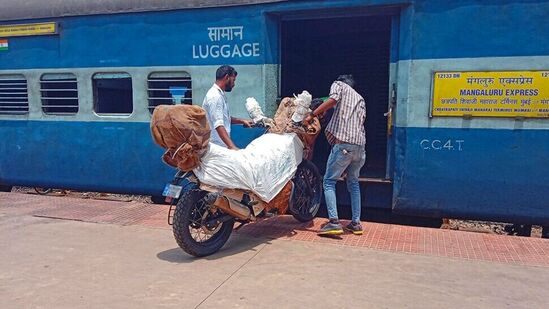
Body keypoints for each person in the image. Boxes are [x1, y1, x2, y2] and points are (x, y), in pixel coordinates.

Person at [304, 74, 366, 236]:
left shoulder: (339, 85)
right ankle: (356, 223)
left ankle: (333, 222)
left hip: (343, 145)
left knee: (329, 181)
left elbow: (332, 100)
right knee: (353, 183)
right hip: (360, 147)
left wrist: (312, 114)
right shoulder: (360, 99)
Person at [202, 65, 252, 150]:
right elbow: (218, 124)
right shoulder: (215, 96)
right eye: (233, 80)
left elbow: (224, 118)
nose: (234, 84)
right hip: (216, 147)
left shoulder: (219, 94)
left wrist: (242, 121)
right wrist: (232, 147)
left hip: (220, 146)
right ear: (227, 77)